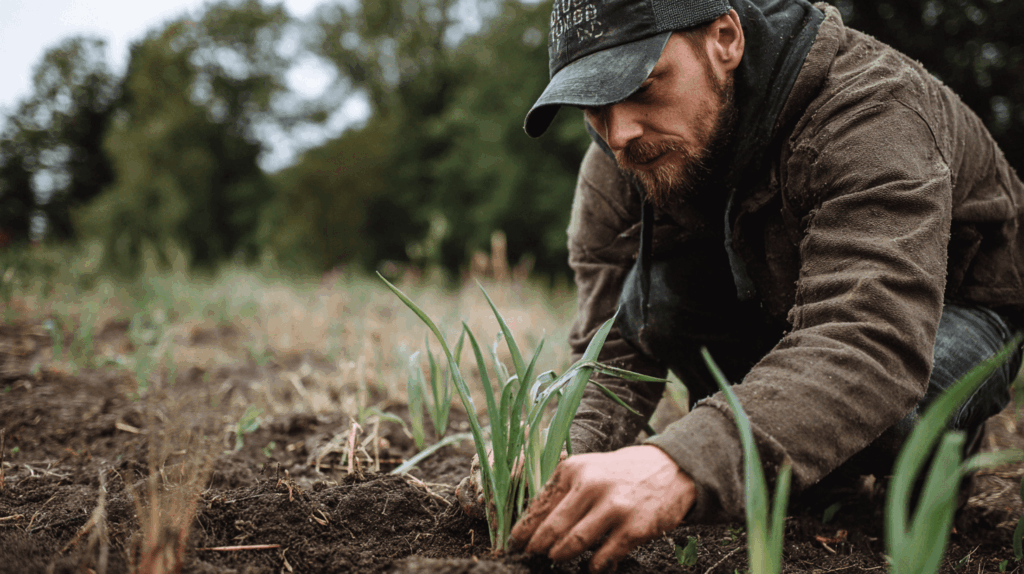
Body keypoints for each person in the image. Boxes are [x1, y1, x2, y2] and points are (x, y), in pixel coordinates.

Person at [462, 0, 1024, 572]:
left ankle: (937, 453)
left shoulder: (872, 112)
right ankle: (805, 466)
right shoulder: (621, 155)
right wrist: (552, 455)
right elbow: (612, 344)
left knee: (888, 414)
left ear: (724, 39)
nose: (620, 134)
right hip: (781, 296)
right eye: (594, 107)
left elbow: (870, 341)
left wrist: (678, 463)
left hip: (946, 305)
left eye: (644, 84)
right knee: (657, 303)